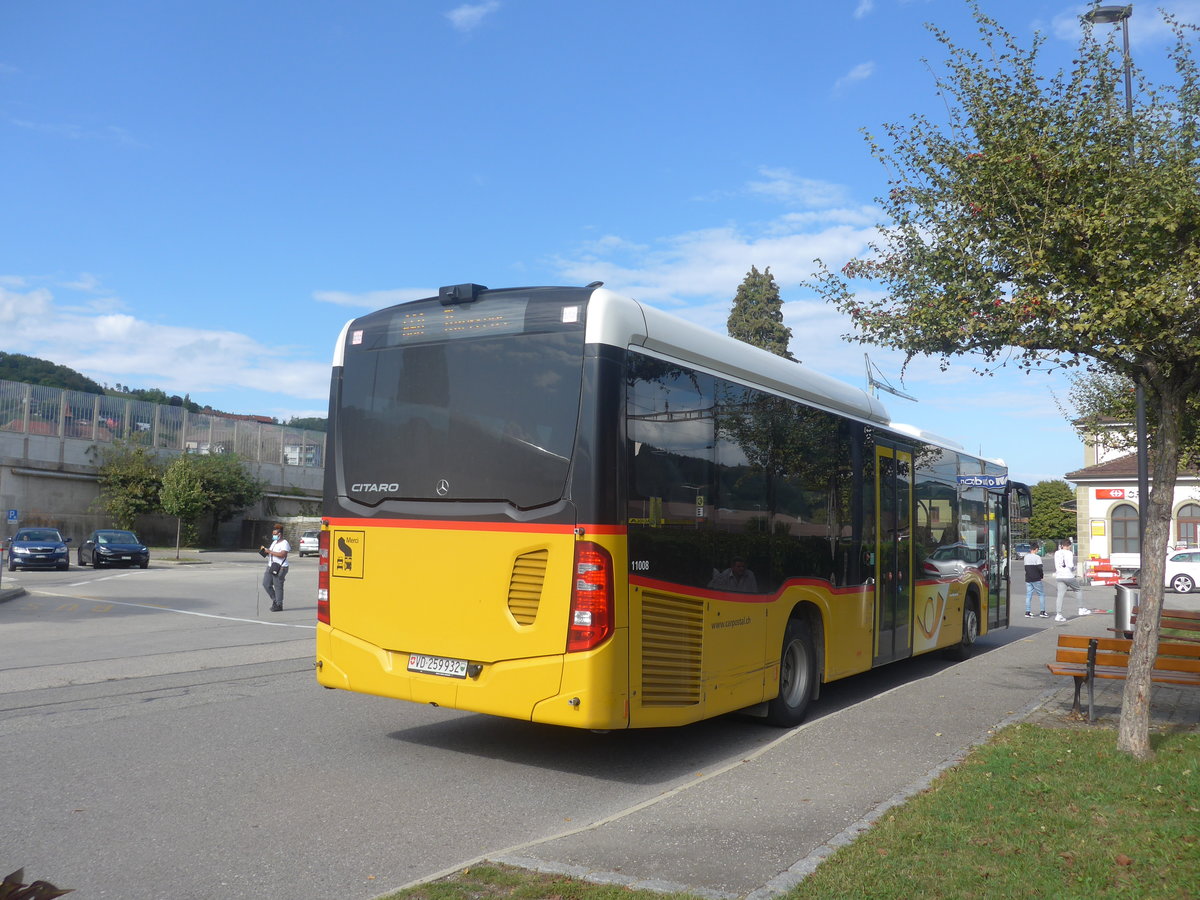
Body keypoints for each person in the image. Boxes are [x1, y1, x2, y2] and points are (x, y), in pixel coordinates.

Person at [260, 524, 290, 612]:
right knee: (266, 584)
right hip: (271, 566)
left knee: (278, 586)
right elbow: (271, 552)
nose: (273, 536)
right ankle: (275, 600)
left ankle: (279, 604)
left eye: (275, 534)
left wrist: (270, 551)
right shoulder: (274, 542)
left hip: (280, 567)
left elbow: (283, 554)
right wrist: (265, 551)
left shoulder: (285, 543)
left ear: (279, 534)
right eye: (273, 534)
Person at [1053, 539, 1082, 623]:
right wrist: (1075, 568)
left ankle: (1058, 614)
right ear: (1069, 546)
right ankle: (1081, 608)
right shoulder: (1069, 553)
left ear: (1061, 545)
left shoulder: (1057, 553)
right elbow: (1070, 565)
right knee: (1078, 590)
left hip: (1059, 575)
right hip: (1068, 575)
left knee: (1060, 595)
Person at [1024, 544, 1047, 618]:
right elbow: (1040, 568)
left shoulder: (1026, 557)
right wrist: (1041, 576)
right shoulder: (1037, 557)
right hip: (1036, 578)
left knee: (1028, 595)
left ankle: (1027, 612)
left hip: (1028, 578)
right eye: (1038, 549)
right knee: (1041, 594)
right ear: (1036, 549)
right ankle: (1042, 611)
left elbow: (1026, 568)